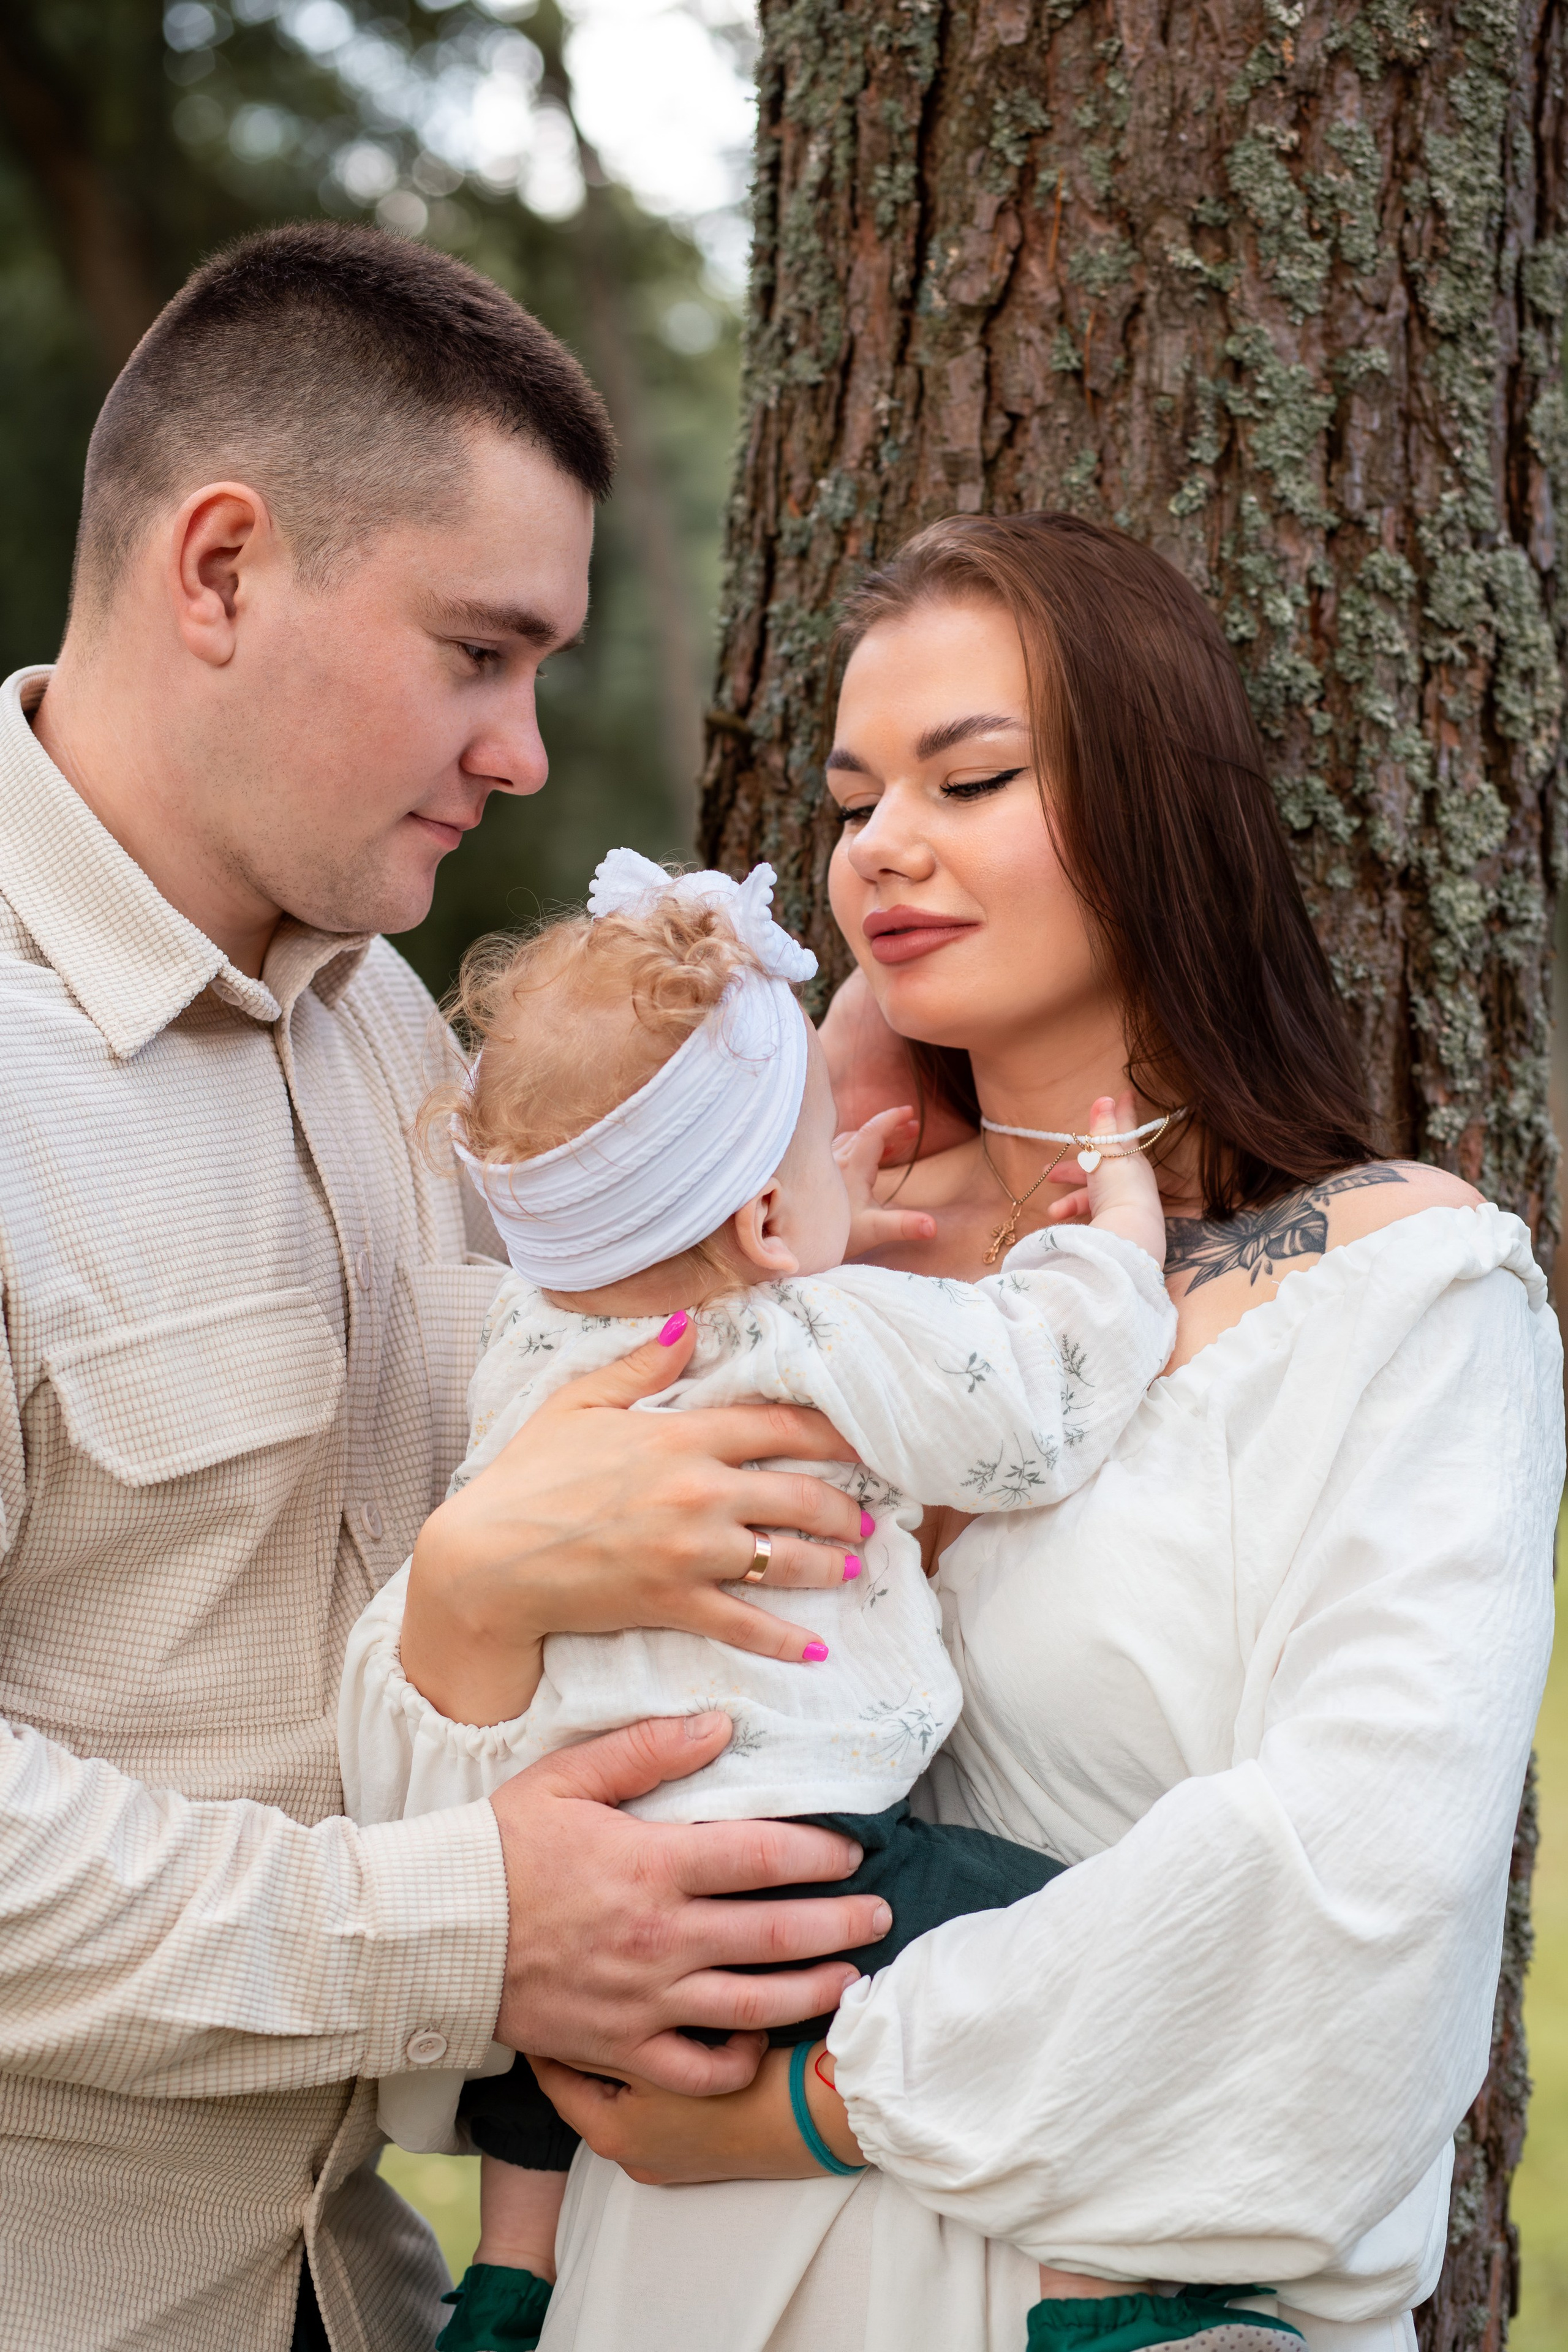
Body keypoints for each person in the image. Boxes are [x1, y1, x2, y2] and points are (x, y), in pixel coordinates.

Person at [403, 514, 1562, 2352]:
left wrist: (808, 2100)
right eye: (856, 801)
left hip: (1078, 2285)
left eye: (975, 778)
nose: (884, 851)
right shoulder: (724, 1281)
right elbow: (438, 1868)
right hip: (657, 2291)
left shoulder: (1405, 1288)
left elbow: (1359, 1885)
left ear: (1159, 811)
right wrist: (463, 1601)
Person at [0, 224, 904, 2352]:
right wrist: (467, 1928)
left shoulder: (404, 1039)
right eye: (477, 651)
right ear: (217, 572)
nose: (517, 750)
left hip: (368, 2289)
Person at [338, 845, 1182, 2351]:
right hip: (788, 1861)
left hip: (570, 1864)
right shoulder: (824, 1329)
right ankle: (1112, 2306)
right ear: (772, 1231)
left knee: (539, 2048)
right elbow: (1032, 1398)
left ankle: (509, 2284)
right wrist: (1109, 1240)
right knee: (1074, 1951)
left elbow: (704, 1281)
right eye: (808, 1148)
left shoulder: (529, 1344)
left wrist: (798, 1224)